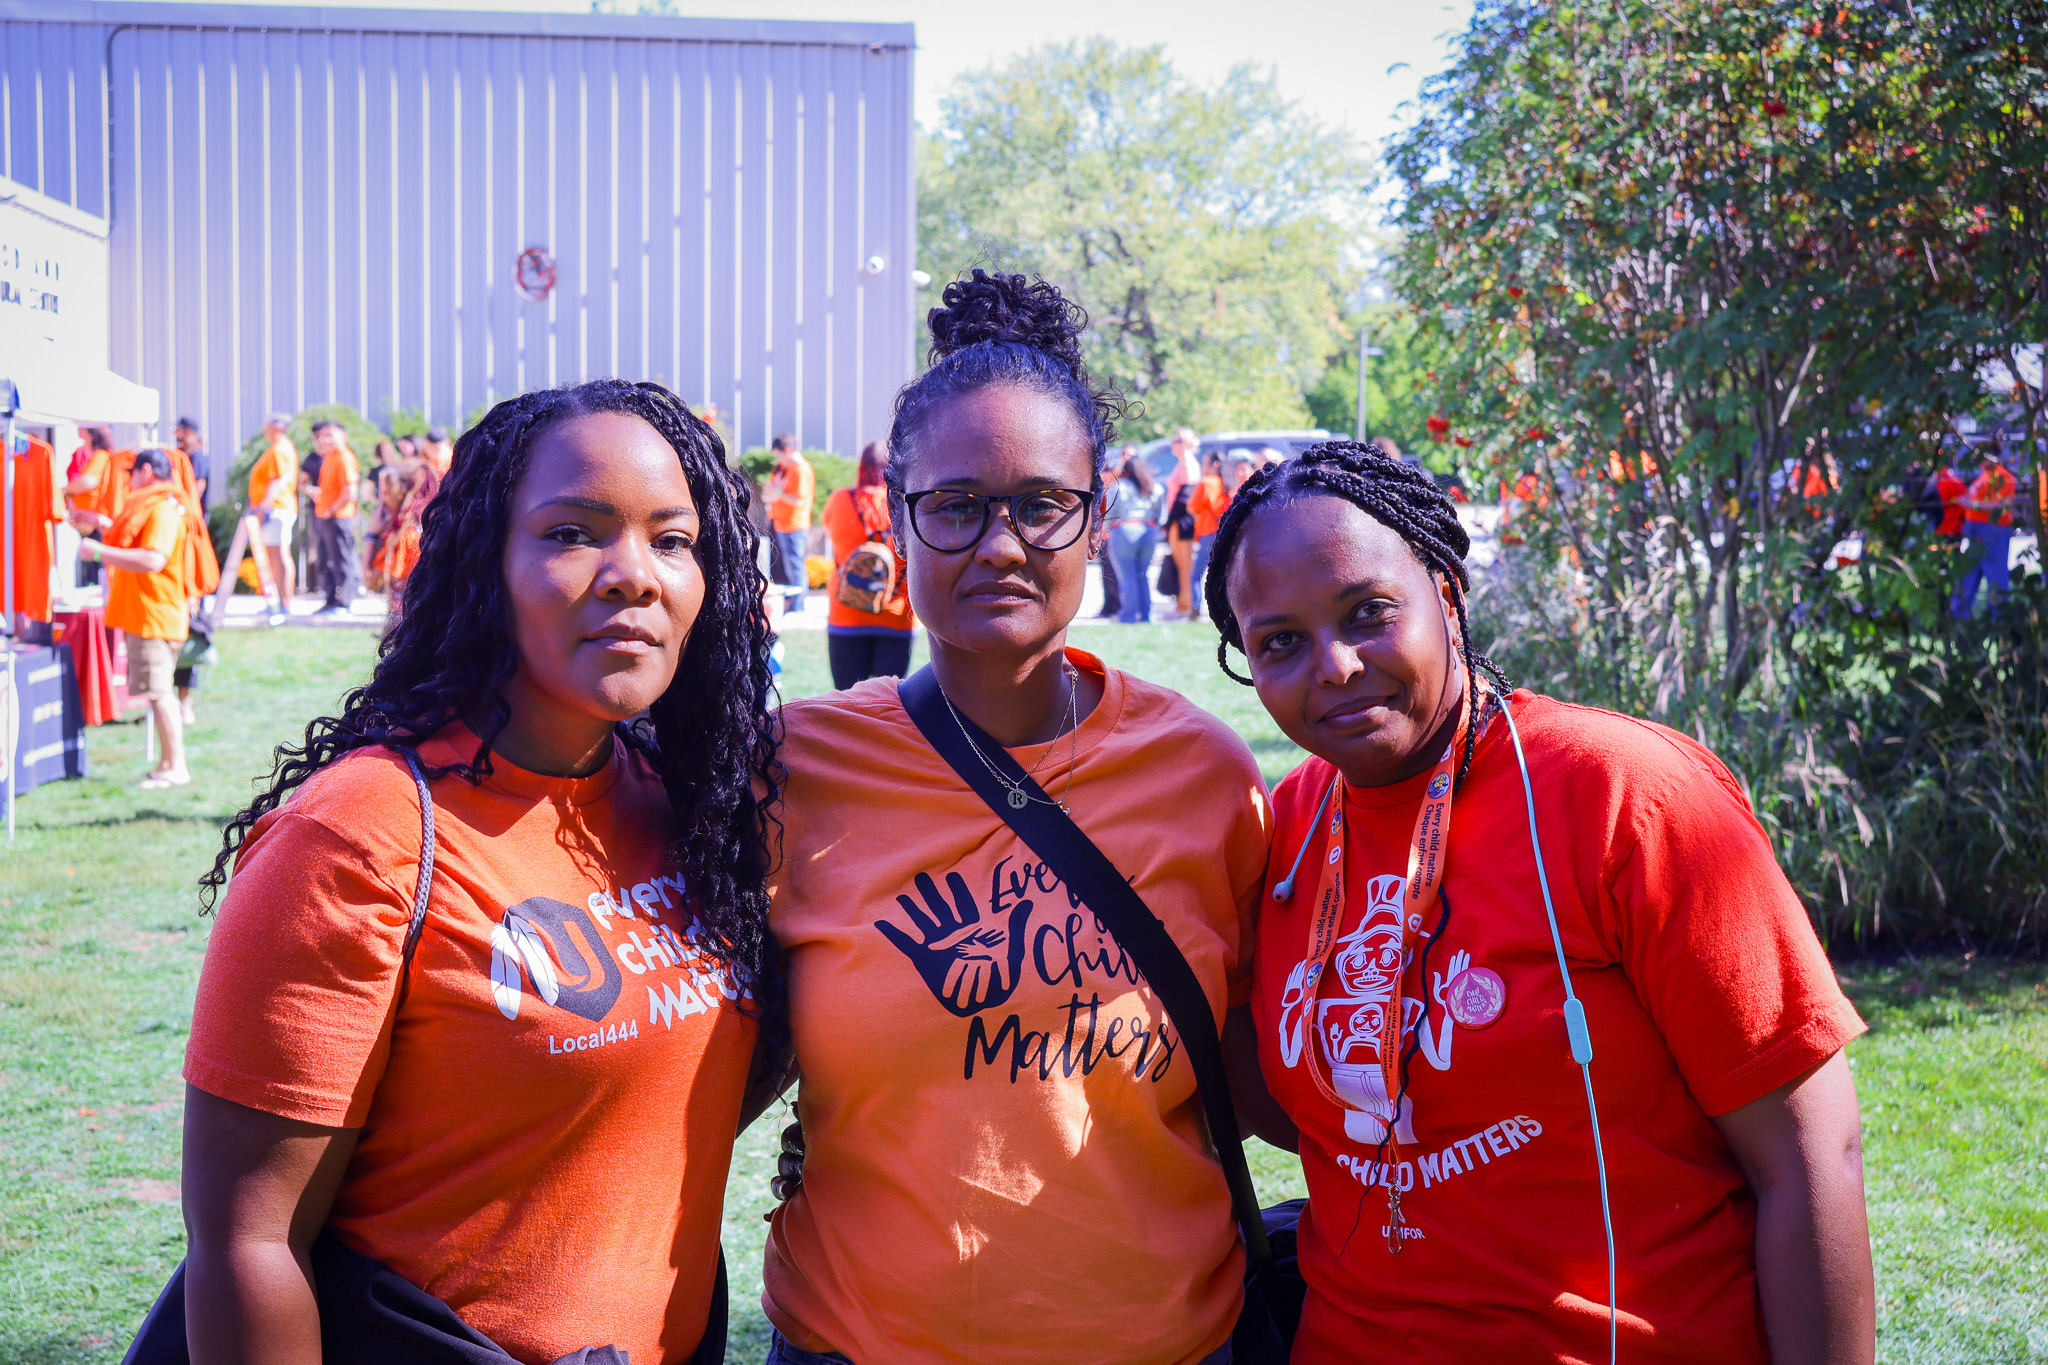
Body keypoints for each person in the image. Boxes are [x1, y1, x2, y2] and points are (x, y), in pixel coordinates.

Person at [1206, 441, 1875, 1364]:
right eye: (1280, 641)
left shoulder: (1623, 797)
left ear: (1446, 589)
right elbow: (1288, 1110)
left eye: (1368, 612)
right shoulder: (1282, 833)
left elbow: (1811, 1156)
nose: (1337, 666)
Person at [179, 379, 783, 1363]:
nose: (633, 574)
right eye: (571, 533)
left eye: (672, 540)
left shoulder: (686, 811)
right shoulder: (359, 836)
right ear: (482, 565)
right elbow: (250, 1242)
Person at [759, 270, 1273, 1365]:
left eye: (1041, 505)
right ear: (895, 523)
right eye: (954, 507)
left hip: (1166, 1344)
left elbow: (1266, 1076)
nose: (999, 546)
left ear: (1096, 520)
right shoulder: (797, 768)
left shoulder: (1203, 774)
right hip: (861, 1343)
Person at [78, 446, 192, 788]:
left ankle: (175, 767)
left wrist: (98, 551)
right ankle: (168, 764)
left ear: (147, 472)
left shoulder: (162, 510)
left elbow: (153, 559)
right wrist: (103, 526)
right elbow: (140, 543)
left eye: (132, 474)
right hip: (152, 616)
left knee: (159, 694)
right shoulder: (160, 508)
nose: (129, 482)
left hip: (154, 617)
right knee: (159, 693)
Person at [820, 441, 916, 688]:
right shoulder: (907, 505)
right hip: (897, 615)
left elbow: (831, 531)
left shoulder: (840, 499)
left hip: (846, 612)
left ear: (862, 465)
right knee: (891, 707)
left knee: (847, 702)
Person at [1952, 441, 2016, 619]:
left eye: (1980, 455)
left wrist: (1973, 504)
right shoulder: (1983, 477)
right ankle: (1960, 625)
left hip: (1993, 534)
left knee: (1996, 581)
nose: (1976, 459)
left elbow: (2002, 505)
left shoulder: (2004, 477)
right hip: (1974, 535)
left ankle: (2000, 626)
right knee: (1967, 580)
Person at [308, 420, 361, 614]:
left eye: (331, 435)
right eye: (323, 436)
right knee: (325, 561)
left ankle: (344, 602)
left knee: (341, 560)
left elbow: (350, 492)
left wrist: (331, 510)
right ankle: (330, 600)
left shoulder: (345, 457)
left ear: (342, 436)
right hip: (324, 516)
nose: (326, 440)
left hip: (338, 517)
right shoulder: (329, 457)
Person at [248, 414, 300, 611]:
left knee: (280, 554)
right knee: (273, 555)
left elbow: (277, 480)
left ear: (278, 427)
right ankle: (279, 601)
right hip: (275, 507)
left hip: (277, 507)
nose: (264, 429)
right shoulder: (278, 448)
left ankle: (286, 601)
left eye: (267, 425)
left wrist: (262, 507)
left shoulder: (280, 448)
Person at [1105, 452, 1164, 624]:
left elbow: (1109, 512)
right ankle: (1147, 614)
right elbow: (1161, 516)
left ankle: (1129, 616)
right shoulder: (1154, 487)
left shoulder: (1119, 486)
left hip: (1124, 530)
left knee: (1126, 575)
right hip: (1148, 530)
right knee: (1142, 575)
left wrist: (1102, 531)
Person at [764, 433, 814, 614]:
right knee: (788, 566)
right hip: (781, 523)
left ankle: (797, 606)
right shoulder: (782, 468)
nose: (776, 459)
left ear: (787, 450)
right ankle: (793, 604)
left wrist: (777, 493)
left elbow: (798, 500)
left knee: (795, 566)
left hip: (795, 525)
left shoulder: (801, 469)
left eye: (778, 454)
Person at [1161, 426, 1201, 618]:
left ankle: (1187, 603)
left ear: (1185, 443)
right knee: (1181, 564)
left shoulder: (1189, 465)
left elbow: (1186, 498)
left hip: (1183, 521)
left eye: (1176, 440)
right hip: (1177, 520)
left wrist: (1169, 521)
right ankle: (1183, 602)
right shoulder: (1183, 464)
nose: (1173, 444)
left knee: (1186, 565)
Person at [1187, 449, 1232, 615]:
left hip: (1208, 533)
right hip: (1225, 533)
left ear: (1214, 464)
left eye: (1204, 463)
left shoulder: (1206, 482)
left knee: (1195, 575)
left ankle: (1195, 609)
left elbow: (1191, 507)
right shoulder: (1228, 482)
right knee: (1224, 574)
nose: (1202, 467)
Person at [175, 416, 209, 504]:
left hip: (193, 513)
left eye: (178, 429)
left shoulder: (196, 454)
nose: (175, 432)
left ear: (188, 431)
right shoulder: (186, 452)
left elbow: (200, 484)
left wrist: (188, 506)